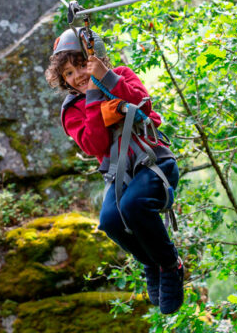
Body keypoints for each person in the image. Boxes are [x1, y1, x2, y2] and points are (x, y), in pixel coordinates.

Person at [44, 28, 184, 315]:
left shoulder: (119, 75)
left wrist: (107, 79)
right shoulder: (73, 109)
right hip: (121, 176)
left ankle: (171, 265)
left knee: (134, 206)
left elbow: (144, 104)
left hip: (154, 163)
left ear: (94, 60)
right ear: (63, 80)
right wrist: (95, 98)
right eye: (69, 73)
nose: (77, 76)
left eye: (81, 65)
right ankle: (152, 261)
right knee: (110, 221)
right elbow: (94, 143)